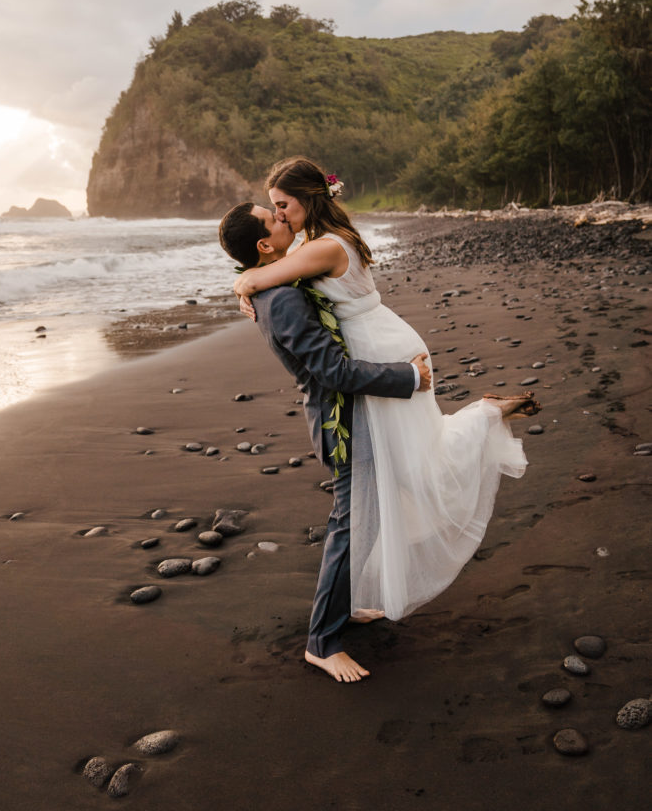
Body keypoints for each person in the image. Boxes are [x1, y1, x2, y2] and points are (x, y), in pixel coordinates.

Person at [232, 157, 536, 631]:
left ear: (307, 200)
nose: (281, 213)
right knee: (404, 468)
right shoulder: (318, 240)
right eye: (274, 208)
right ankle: (346, 603)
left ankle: (483, 417)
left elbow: (262, 276)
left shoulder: (323, 247)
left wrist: (243, 279)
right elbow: (278, 268)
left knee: (415, 467)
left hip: (384, 354)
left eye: (282, 205)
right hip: (383, 347)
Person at [219, 201, 432, 683]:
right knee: (350, 520)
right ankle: (321, 642)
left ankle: (349, 603)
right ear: (263, 244)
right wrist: (407, 377)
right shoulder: (284, 299)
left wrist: (245, 280)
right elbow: (333, 372)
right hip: (341, 422)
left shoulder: (276, 283)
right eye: (274, 219)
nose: (284, 219)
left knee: (369, 509)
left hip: (352, 415)